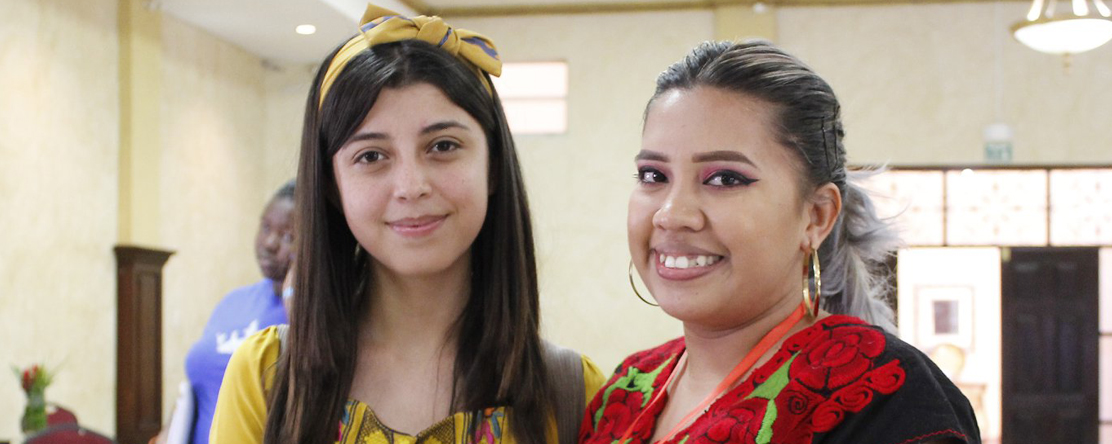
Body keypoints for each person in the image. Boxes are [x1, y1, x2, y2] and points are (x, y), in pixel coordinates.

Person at [210, 5, 604, 444]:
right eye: (371, 156)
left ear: (493, 166)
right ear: (331, 186)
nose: (411, 186)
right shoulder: (267, 377)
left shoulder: (572, 393)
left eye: (443, 145)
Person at [579, 41, 980, 444]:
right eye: (653, 175)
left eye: (724, 179)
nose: (671, 214)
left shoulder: (885, 395)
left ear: (816, 215)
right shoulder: (624, 391)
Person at [156, 179, 295, 444]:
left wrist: (299, 288)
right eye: (265, 227)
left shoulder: (311, 314)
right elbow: (194, 388)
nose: (269, 242)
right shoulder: (233, 302)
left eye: (288, 236)